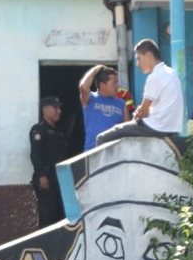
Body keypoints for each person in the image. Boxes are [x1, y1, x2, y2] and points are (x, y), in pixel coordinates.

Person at [96, 39, 182, 143]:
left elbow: (143, 112)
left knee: (102, 138)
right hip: (172, 128)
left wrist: (137, 114)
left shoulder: (155, 77)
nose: (137, 64)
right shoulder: (172, 73)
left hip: (156, 127)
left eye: (138, 58)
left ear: (149, 55)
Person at [30, 95, 71, 227]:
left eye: (59, 108)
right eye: (55, 108)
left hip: (61, 177)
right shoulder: (39, 129)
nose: (59, 111)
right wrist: (42, 175)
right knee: (48, 215)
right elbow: (36, 155)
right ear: (45, 109)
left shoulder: (59, 131)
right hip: (47, 179)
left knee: (61, 216)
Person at [78, 64, 131, 151]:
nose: (117, 86)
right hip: (92, 151)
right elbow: (83, 86)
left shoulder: (121, 104)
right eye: (114, 82)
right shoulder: (90, 98)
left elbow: (127, 129)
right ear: (102, 85)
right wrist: (96, 69)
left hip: (114, 152)